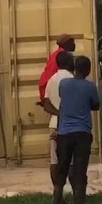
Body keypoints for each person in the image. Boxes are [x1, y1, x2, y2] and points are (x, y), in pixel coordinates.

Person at [52, 55, 99, 204]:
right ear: (88, 70)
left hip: (64, 132)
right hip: (82, 132)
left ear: (74, 68)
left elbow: (62, 98)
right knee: (80, 168)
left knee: (62, 168)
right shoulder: (90, 86)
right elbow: (95, 105)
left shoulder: (64, 84)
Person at [40, 50, 75, 187]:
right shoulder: (73, 79)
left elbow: (46, 105)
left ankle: (57, 193)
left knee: (55, 161)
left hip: (54, 125)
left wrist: (58, 113)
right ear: (69, 62)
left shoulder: (51, 80)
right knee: (72, 161)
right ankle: (76, 193)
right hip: (71, 125)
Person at [39, 36, 75, 102]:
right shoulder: (62, 56)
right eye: (71, 42)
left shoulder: (58, 54)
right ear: (65, 44)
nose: (74, 44)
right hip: (50, 91)